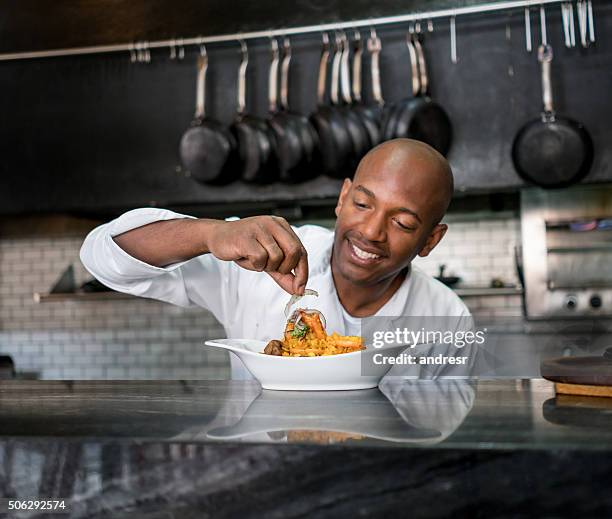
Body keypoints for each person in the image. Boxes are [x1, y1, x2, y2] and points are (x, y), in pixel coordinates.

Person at [80, 138, 471, 379]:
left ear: (430, 240)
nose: (371, 231)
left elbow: (443, 428)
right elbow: (102, 256)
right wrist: (210, 233)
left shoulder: (447, 320)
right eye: (363, 204)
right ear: (342, 197)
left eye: (402, 223)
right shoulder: (259, 258)